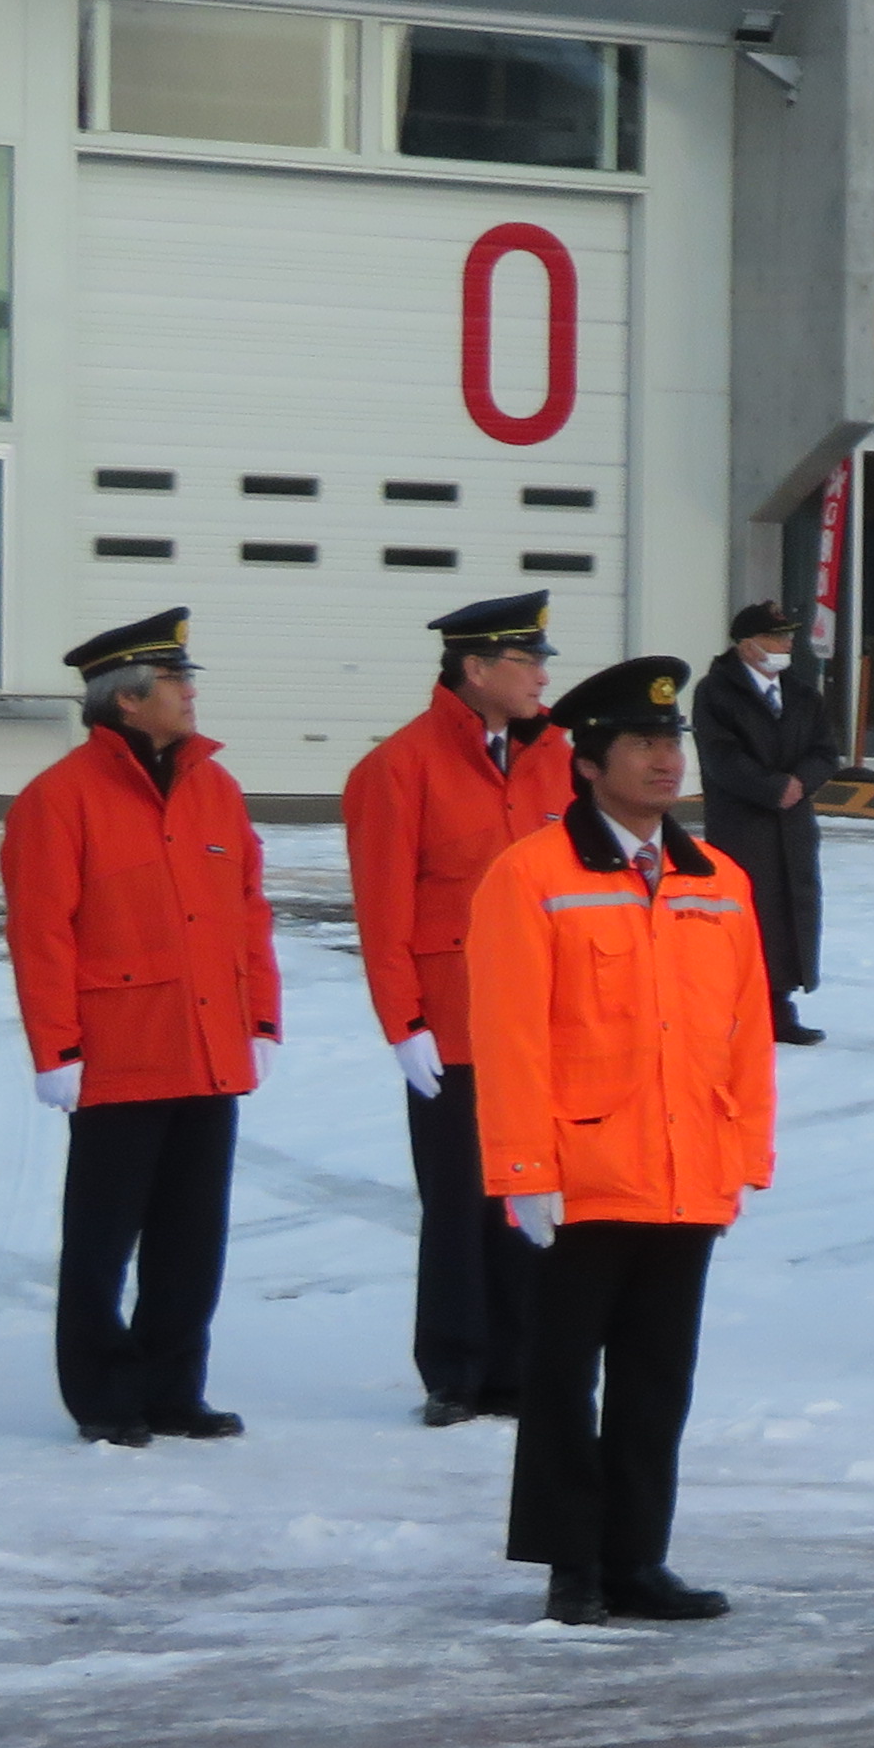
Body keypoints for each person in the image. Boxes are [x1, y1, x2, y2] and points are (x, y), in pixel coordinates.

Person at [466, 656, 770, 1624]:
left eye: (670, 741)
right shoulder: (531, 876)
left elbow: (745, 1032)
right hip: (581, 1176)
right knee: (561, 1381)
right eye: (641, 744)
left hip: (686, 1174)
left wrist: (743, 1154)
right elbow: (508, 1037)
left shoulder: (717, 880)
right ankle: (572, 1566)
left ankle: (638, 1559)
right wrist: (523, 1169)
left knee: (656, 1382)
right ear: (588, 761)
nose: (663, 761)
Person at [3, 608, 278, 1448]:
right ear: (126, 701)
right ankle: (104, 1396)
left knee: (192, 1240)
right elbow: (41, 934)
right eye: (175, 681)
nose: (191, 693)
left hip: (208, 1051)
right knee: (102, 1243)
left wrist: (260, 1016)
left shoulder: (216, 789)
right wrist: (58, 1049)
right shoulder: (59, 801)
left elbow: (247, 910)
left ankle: (172, 1388)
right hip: (118, 1056)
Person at [341, 591, 577, 1427]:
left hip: (546, 1018)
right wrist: (403, 1024)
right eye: (527, 661)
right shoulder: (398, 769)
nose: (544, 676)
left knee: (533, 1194)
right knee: (457, 1201)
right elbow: (383, 911)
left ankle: (520, 1364)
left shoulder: (558, 758)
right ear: (475, 670)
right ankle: (455, 1367)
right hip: (453, 1021)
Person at [693, 599, 838, 1050]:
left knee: (792, 909)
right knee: (750, 911)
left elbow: (824, 750)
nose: (786, 645)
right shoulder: (716, 692)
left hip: (793, 824)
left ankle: (781, 1003)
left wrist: (801, 782)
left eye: (788, 637)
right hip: (744, 822)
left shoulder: (801, 692)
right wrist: (771, 787)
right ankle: (742, 1005)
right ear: (748, 645)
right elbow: (720, 757)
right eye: (777, 638)